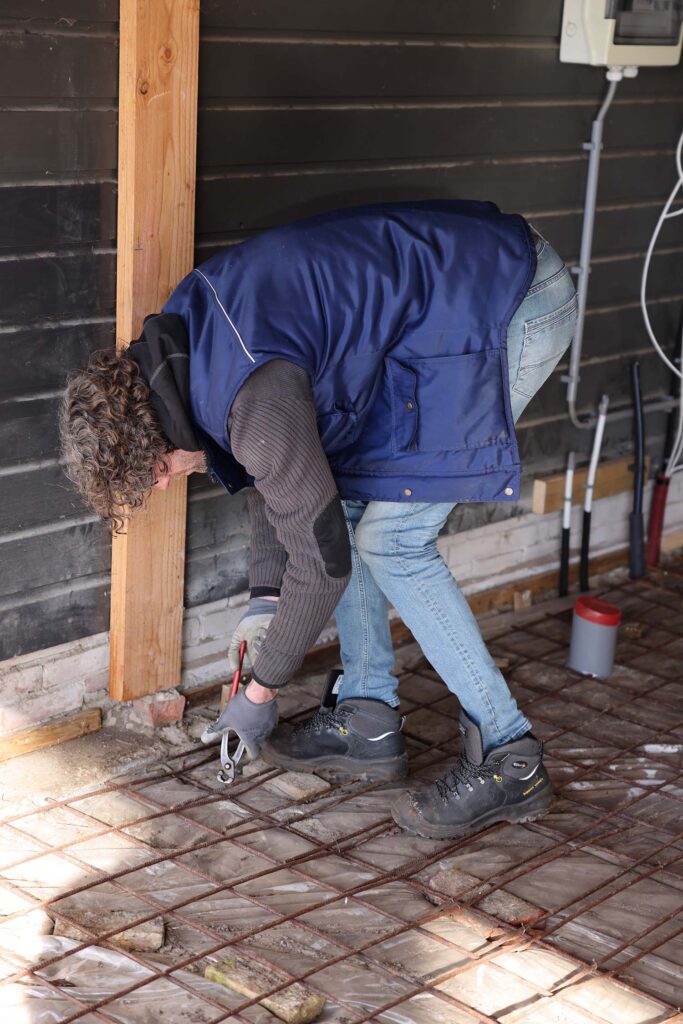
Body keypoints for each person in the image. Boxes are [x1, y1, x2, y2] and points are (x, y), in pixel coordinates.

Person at [60, 200, 577, 839]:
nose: (165, 484)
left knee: (391, 542)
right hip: (433, 312)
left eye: (157, 473)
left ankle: (510, 755)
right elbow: (275, 479)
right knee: (347, 505)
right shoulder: (181, 356)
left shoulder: (252, 398)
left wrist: (260, 692)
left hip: (506, 297)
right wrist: (263, 605)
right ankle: (368, 719)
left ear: (154, 435)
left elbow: (321, 559)